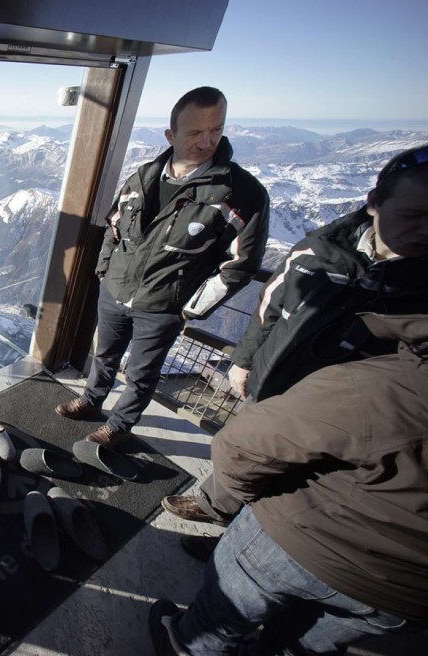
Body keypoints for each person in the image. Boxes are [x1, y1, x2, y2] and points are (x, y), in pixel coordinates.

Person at [163, 143, 428, 531]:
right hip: (275, 381)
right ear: (374, 204)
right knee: (249, 444)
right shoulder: (316, 253)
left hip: (346, 415)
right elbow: (269, 307)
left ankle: (254, 533)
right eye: (414, 214)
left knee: (302, 481)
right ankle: (215, 504)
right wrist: (244, 358)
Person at [149, 312, 428, 655]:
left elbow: (240, 448)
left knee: (215, 624)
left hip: (301, 541)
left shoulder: (391, 385)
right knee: (295, 647)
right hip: (407, 595)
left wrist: (259, 505)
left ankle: (183, 645)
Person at [57, 87, 269, 451]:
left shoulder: (242, 194)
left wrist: (187, 308)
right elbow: (113, 225)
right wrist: (105, 272)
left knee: (141, 373)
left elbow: (241, 265)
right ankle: (92, 401)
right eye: (194, 133)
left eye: (216, 130)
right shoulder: (144, 176)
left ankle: (120, 425)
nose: (207, 142)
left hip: (162, 307)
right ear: (170, 135)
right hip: (115, 291)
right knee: (104, 355)